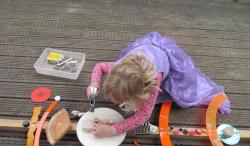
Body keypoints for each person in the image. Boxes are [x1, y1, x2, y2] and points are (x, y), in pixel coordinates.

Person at [87, 32, 230, 138]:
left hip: (161, 59)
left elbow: (143, 115)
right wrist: (94, 82)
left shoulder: (152, 82)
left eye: (123, 99)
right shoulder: (118, 68)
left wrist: (113, 130)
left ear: (138, 94)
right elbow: (99, 67)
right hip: (145, 49)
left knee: (185, 94)